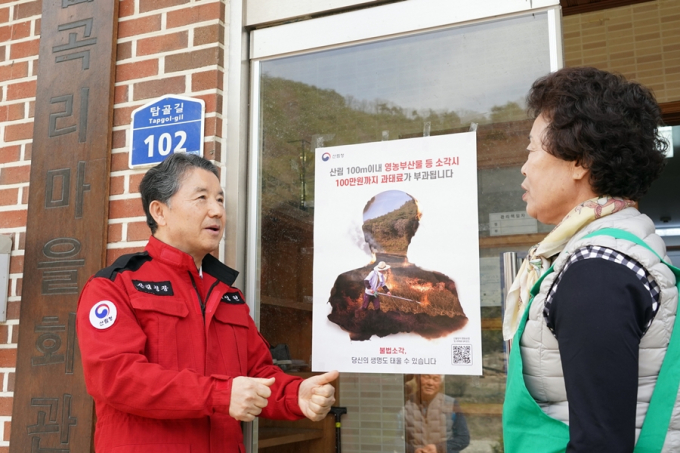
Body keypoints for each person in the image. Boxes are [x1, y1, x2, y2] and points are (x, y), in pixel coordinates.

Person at [76, 153, 338, 453]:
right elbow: (116, 378)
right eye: (202, 198)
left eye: (220, 200)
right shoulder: (115, 286)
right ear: (160, 212)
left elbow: (259, 375)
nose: (217, 211)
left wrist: (295, 394)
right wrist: (221, 395)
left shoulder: (227, 294)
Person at [502, 66, 679, 452]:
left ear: (579, 159)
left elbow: (600, 443)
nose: (524, 166)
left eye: (532, 149)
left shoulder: (597, 268)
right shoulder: (621, 245)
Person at [327, 190, 466, 341]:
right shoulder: (347, 284)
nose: (389, 229)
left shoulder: (441, 285)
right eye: (379, 222)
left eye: (398, 220)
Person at [404, 374, 470, 453]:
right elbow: (394, 438)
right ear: (417, 380)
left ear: (440, 383)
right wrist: (412, 450)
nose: (430, 383)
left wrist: (438, 448)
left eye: (435, 379)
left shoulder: (450, 403)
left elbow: (463, 438)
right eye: (426, 377)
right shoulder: (405, 404)